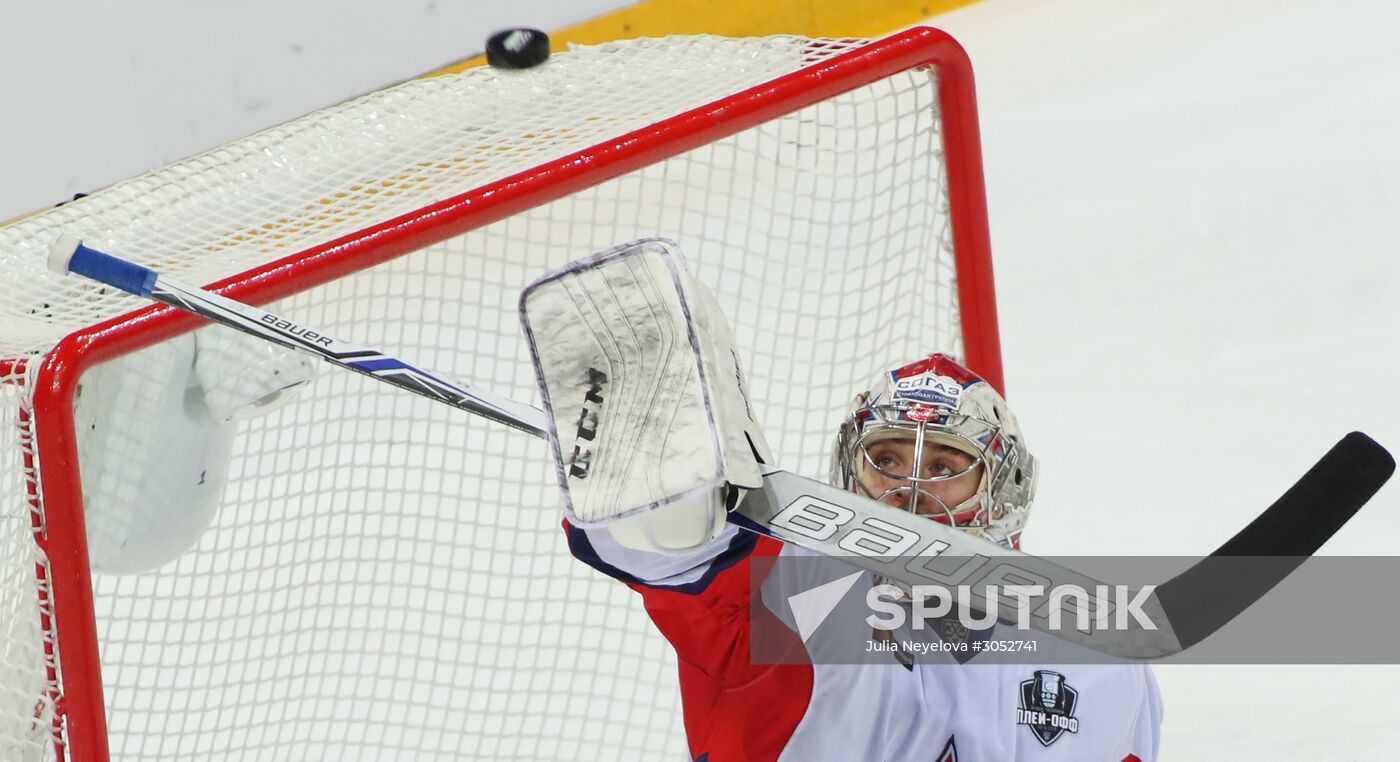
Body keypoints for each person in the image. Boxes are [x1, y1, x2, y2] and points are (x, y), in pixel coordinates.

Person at [563, 352, 1161, 762]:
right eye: (888, 461)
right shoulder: (789, 589)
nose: (910, 489)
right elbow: (667, 555)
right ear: (851, 470)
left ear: (998, 490)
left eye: (945, 468)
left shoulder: (1087, 648)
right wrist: (647, 490)